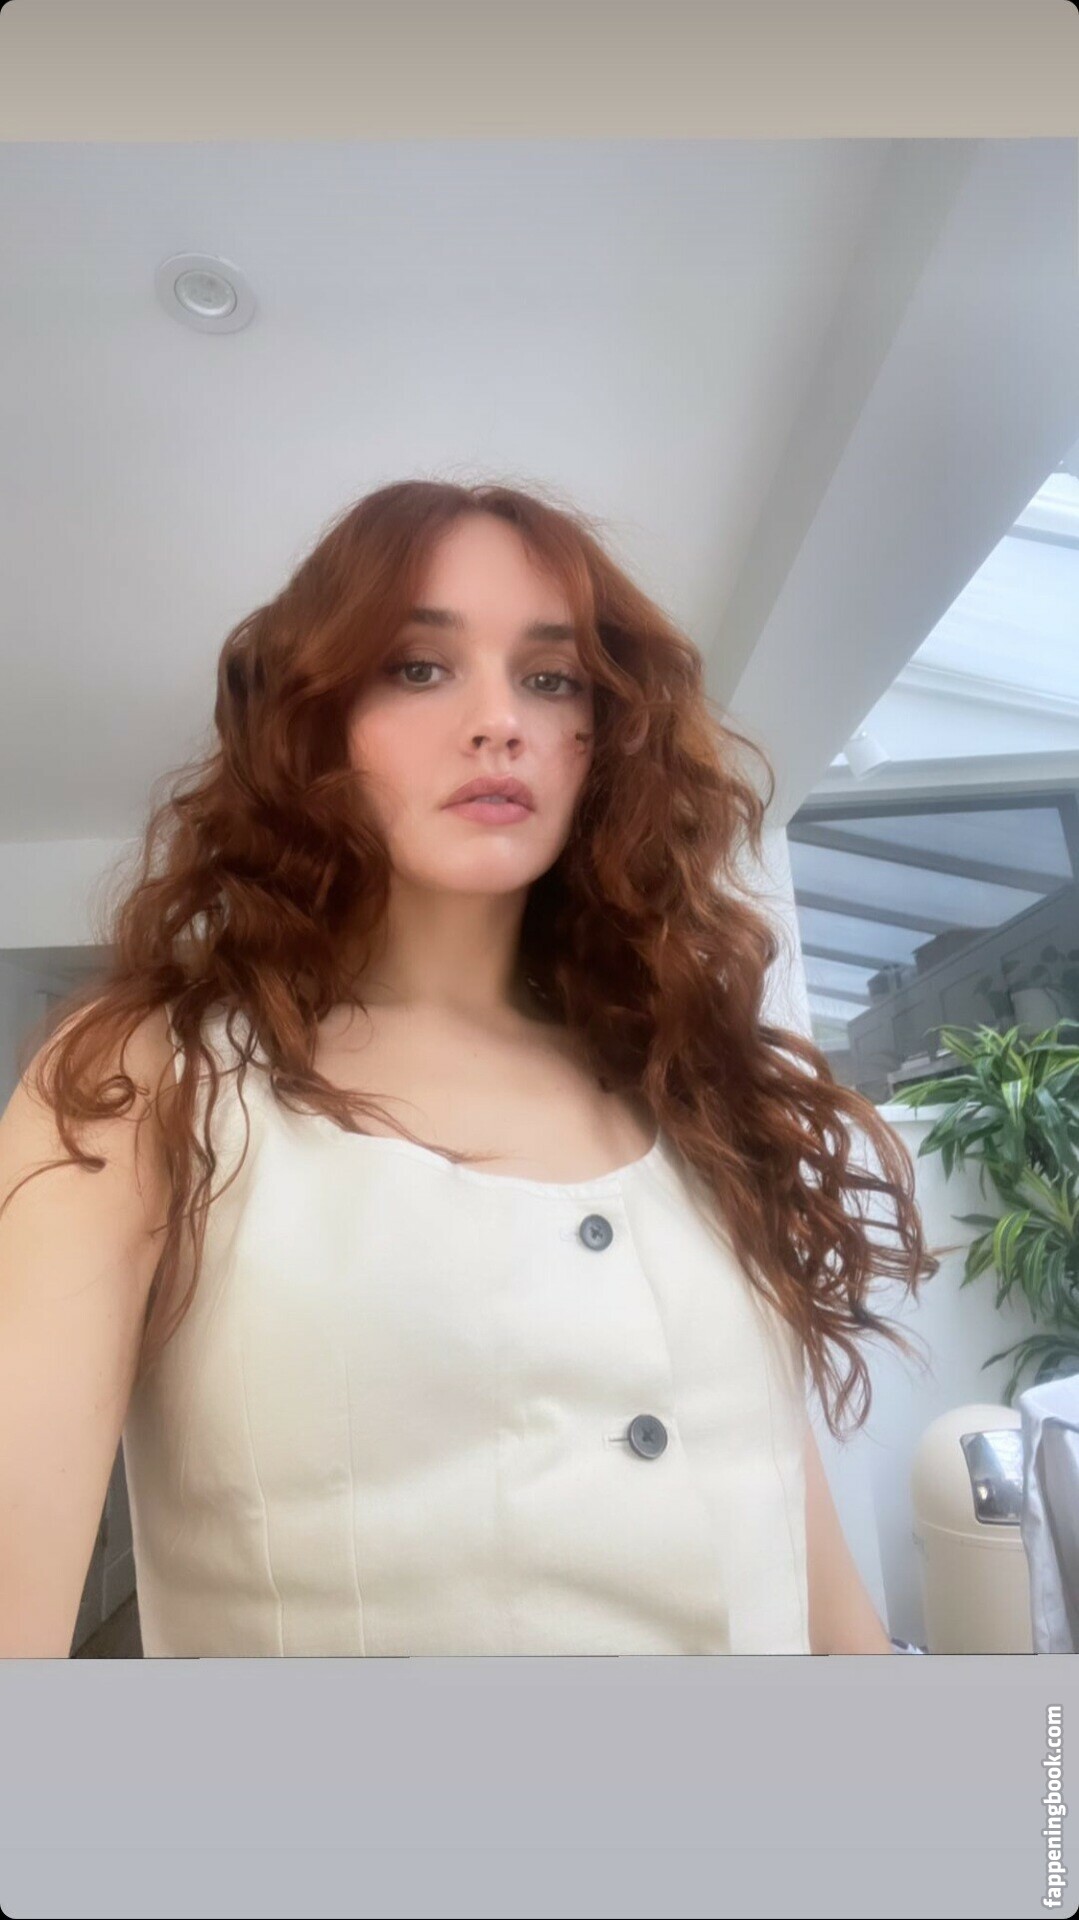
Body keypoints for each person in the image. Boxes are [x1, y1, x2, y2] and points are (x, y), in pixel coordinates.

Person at [0, 479, 932, 1659]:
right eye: (417, 667)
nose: (500, 722)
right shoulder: (150, 1086)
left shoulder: (680, 1081)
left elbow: (811, 1580)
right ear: (314, 718)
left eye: (550, 679)